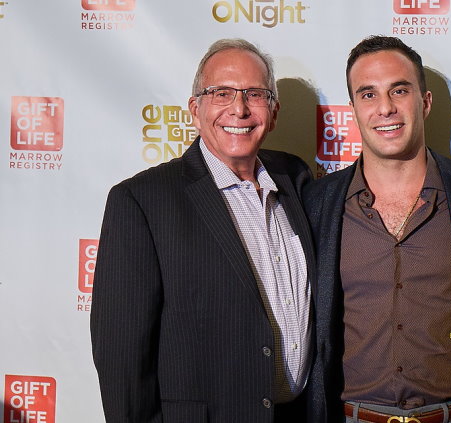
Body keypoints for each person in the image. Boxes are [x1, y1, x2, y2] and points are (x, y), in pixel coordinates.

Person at [90, 38, 314, 423]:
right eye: (221, 93)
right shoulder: (142, 201)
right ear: (195, 109)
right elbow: (122, 358)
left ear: (273, 113)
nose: (239, 108)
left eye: (255, 94)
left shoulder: (295, 179)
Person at [303, 35, 451, 423]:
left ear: (425, 101)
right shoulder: (317, 203)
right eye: (368, 95)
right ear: (352, 109)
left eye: (398, 90)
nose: (385, 108)